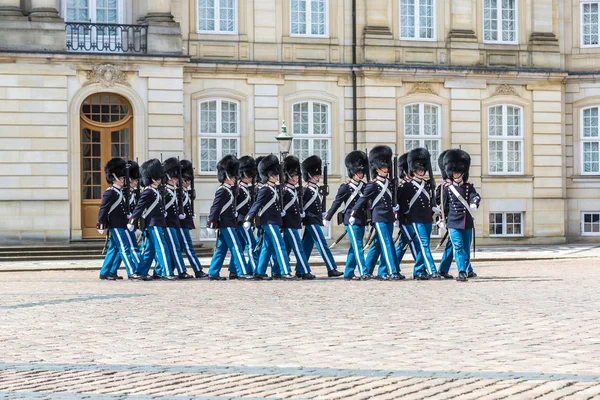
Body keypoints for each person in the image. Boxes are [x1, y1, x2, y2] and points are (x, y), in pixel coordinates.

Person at [350, 146, 402, 281]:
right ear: (377, 169)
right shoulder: (372, 185)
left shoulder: (390, 183)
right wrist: (353, 213)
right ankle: (391, 270)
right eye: (383, 168)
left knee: (380, 243)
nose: (386, 169)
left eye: (386, 167)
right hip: (379, 217)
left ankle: (377, 270)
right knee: (387, 243)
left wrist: (396, 206)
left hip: (389, 216)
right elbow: (362, 200)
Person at [244, 154, 296, 280]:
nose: (277, 177)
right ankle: (285, 271)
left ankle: (259, 271)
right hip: (268, 221)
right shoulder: (265, 189)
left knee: (267, 247)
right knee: (280, 244)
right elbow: (257, 204)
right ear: (269, 175)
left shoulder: (273, 188)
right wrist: (249, 218)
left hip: (273, 220)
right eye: (275, 174)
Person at [206, 155, 254, 281]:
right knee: (236, 246)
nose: (235, 178)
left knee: (221, 248)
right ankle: (242, 271)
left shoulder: (229, 190)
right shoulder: (222, 190)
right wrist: (211, 223)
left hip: (229, 223)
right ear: (226, 176)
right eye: (233, 176)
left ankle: (213, 272)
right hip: (225, 224)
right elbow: (215, 208)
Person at [324, 151, 369, 280]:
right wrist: (328, 216)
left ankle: (349, 272)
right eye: (358, 172)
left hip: (361, 220)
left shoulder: (365, 186)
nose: (360, 174)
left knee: (354, 247)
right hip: (350, 220)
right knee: (358, 246)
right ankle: (363, 271)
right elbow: (336, 203)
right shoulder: (345, 187)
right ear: (352, 172)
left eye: (361, 172)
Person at [127, 159, 175, 280]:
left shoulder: (156, 190)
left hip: (158, 223)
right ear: (151, 177)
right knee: (161, 247)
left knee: (150, 250)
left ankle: (141, 271)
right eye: (157, 177)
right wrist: (132, 221)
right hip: (153, 224)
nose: (159, 179)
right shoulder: (148, 191)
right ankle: (167, 272)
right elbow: (139, 207)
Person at [440, 149, 481, 282]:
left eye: (459, 172)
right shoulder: (447, 189)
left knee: (466, 248)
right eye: (454, 172)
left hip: (466, 222)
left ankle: (465, 268)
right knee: (457, 246)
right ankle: (462, 271)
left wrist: (474, 203)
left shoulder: (469, 187)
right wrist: (441, 220)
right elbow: (443, 206)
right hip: (453, 222)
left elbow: (475, 196)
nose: (456, 174)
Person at [97, 158, 141, 281]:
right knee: (124, 248)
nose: (123, 179)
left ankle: (106, 272)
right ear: (114, 177)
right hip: (116, 225)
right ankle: (132, 271)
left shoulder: (121, 191)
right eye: (121, 178)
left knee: (114, 248)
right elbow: (103, 209)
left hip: (123, 224)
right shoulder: (110, 192)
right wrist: (100, 224)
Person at [399, 148, 438, 280]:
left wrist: (435, 208)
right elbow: (402, 205)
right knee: (424, 244)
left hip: (427, 218)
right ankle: (432, 270)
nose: (421, 171)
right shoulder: (407, 186)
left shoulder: (427, 185)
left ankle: (418, 270)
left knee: (425, 244)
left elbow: (431, 201)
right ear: (413, 170)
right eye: (419, 170)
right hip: (415, 219)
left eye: (422, 169)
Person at [301, 155, 343, 278]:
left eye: (318, 175)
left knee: (307, 246)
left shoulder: (316, 189)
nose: (318, 177)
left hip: (315, 219)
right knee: (321, 243)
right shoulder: (307, 190)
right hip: (310, 219)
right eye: (315, 175)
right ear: (309, 176)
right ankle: (331, 267)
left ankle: (300, 269)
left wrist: (322, 214)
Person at [281, 155, 315, 280]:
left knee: (286, 247)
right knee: (298, 248)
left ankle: (277, 270)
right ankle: (304, 271)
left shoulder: (294, 190)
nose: (297, 177)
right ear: (289, 176)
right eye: (295, 175)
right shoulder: (284, 190)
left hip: (294, 222)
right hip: (288, 223)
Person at [162, 157, 195, 279]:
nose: (176, 180)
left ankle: (161, 270)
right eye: (174, 177)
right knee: (174, 247)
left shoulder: (175, 190)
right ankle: (180, 271)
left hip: (174, 223)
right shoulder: (165, 191)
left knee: (176, 248)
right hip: (168, 223)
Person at [109, 160, 142, 279]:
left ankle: (110, 271)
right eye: (134, 179)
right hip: (120, 224)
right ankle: (133, 270)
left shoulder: (132, 192)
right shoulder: (118, 192)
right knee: (124, 248)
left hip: (127, 223)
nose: (136, 182)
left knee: (118, 249)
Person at [177, 159, 208, 279]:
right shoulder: (178, 192)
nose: (189, 182)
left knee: (178, 248)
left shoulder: (184, 192)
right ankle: (197, 269)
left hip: (184, 222)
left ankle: (161, 269)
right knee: (188, 247)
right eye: (187, 180)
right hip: (180, 223)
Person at [233, 156, 259, 279]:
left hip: (244, 220)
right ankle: (254, 269)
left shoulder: (246, 188)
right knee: (251, 244)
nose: (251, 177)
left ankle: (233, 270)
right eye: (249, 174)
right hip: (241, 221)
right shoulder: (238, 188)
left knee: (241, 245)